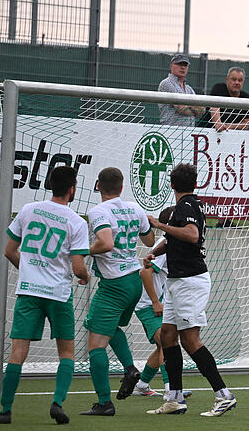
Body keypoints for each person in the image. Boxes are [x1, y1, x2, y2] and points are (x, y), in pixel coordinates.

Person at [0, 167, 90, 425]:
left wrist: (28, 270)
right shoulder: (76, 221)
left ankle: (5, 411)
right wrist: (86, 276)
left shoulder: (28, 210)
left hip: (28, 292)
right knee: (66, 353)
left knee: (17, 353)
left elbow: (9, 250)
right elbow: (78, 267)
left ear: (49, 185)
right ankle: (57, 403)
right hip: (58, 293)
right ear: (72, 189)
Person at [144, 163, 236, 417]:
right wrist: (155, 252)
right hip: (177, 281)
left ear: (171, 185)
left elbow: (192, 235)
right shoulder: (187, 206)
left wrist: (159, 225)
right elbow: (177, 237)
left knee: (190, 340)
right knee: (167, 336)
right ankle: (174, 398)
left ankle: (223, 395)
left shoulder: (185, 206)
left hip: (189, 281)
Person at [81, 167, 155, 416]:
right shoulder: (135, 208)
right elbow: (149, 241)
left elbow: (105, 243)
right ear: (122, 187)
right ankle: (130, 368)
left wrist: (80, 251)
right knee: (110, 328)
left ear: (98, 185)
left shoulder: (98, 211)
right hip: (134, 280)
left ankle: (104, 403)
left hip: (114, 284)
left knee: (95, 345)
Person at [132, 206, 190, 401]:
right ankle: (171, 389)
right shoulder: (164, 245)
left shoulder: (170, 244)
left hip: (155, 304)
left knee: (162, 347)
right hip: (149, 306)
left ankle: (142, 385)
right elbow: (145, 271)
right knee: (167, 343)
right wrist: (156, 302)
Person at [157, 54, 205, 126]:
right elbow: (181, 109)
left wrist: (187, 105)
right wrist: (194, 110)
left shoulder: (189, 89)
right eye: (179, 64)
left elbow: (202, 111)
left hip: (189, 132)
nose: (182, 67)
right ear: (171, 66)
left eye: (185, 65)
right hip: (170, 130)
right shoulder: (166, 83)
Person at [207, 67, 249, 132]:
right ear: (227, 80)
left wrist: (228, 126)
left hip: (232, 136)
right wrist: (218, 124)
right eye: (234, 79)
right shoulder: (219, 88)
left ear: (243, 82)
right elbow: (214, 108)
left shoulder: (245, 97)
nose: (237, 82)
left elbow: (245, 124)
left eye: (240, 80)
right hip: (208, 131)